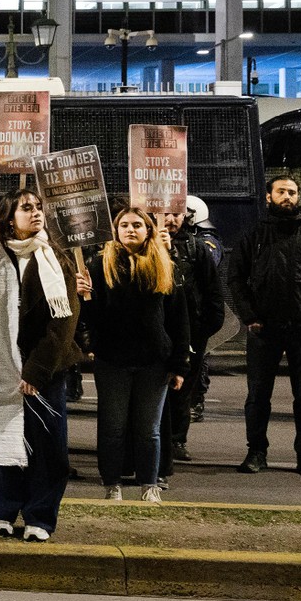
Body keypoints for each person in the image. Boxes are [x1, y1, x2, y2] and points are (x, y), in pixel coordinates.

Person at [0, 189, 83, 541]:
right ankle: (2, 510)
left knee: (47, 446)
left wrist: (35, 372)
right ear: (10, 217)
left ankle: (40, 516)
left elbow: (62, 323)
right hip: (2, 366)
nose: (36, 212)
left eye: (39, 207)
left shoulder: (57, 258)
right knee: (1, 439)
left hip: (46, 370)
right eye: (27, 208)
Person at [229, 176, 301, 480]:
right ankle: (256, 452)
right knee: (257, 396)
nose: (288, 196)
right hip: (263, 330)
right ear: (269, 197)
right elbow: (236, 278)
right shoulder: (253, 235)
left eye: (292, 192)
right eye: (281, 192)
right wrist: (250, 315)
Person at [81, 206, 187, 503]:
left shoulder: (164, 265)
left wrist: (180, 364)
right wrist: (85, 297)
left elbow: (179, 319)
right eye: (124, 225)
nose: (131, 229)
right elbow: (93, 318)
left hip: (154, 361)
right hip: (112, 360)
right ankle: (112, 483)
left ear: (148, 230)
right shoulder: (99, 264)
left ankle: (149, 484)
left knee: (149, 430)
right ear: (115, 231)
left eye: (137, 225)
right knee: (113, 427)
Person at [158, 199, 224, 481]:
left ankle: (176, 440)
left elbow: (213, 294)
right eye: (166, 214)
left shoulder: (197, 249)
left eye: (176, 214)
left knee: (183, 389)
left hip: (191, 333)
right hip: (157, 332)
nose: (171, 219)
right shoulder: (146, 246)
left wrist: (203, 330)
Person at [181, 196, 225, 423]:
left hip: (197, 310)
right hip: (187, 309)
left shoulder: (207, 241)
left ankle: (196, 400)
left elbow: (210, 262)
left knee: (199, 360)